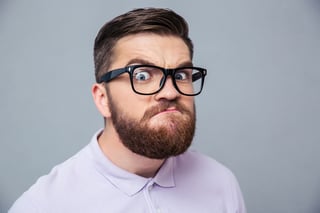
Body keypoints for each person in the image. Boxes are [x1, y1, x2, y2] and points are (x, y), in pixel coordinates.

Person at [9, 8, 246, 213]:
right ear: (103, 99)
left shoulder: (220, 183)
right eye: (142, 76)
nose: (171, 92)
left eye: (181, 75)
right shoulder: (44, 206)